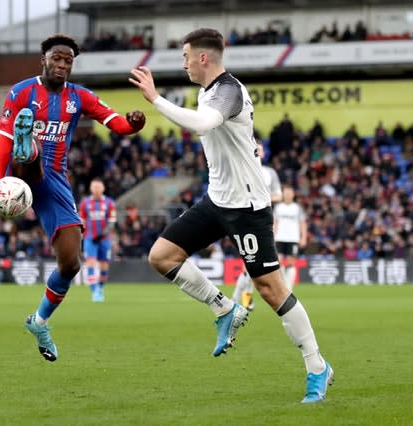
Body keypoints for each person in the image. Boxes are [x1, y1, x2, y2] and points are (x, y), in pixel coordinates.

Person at [129, 28, 332, 403]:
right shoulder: (207, 92)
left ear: (203, 58)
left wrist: (155, 98)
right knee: (161, 256)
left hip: (248, 207)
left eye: (186, 55)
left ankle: (317, 366)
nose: (184, 62)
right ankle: (224, 308)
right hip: (217, 200)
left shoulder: (228, 90)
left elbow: (203, 124)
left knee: (272, 290)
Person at [0, 33, 146, 362]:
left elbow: (115, 123)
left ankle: (39, 321)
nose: (62, 65)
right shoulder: (21, 92)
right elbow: (1, 143)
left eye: (68, 61)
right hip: (20, 172)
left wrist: (134, 124)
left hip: (56, 183)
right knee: (26, 154)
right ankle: (28, 144)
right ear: (43, 59)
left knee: (71, 262)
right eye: (56, 59)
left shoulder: (80, 97)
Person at [232, 142, 282, 310]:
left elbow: (278, 195)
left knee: (253, 263)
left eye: (259, 149)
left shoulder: (270, 173)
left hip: (264, 219)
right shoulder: (243, 169)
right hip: (245, 217)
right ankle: (242, 299)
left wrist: (262, 197)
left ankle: (243, 298)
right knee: (250, 261)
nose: (257, 151)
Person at [78, 177, 117, 302]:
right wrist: (81, 234)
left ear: (103, 188)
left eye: (98, 187)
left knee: (104, 265)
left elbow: (112, 222)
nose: (96, 189)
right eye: (94, 187)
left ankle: (100, 287)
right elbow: (82, 220)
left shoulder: (110, 203)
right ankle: (94, 291)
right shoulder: (85, 203)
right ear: (90, 188)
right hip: (89, 238)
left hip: (104, 239)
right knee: (90, 262)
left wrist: (101, 235)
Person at [274, 184, 308, 291]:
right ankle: (283, 285)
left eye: (290, 193)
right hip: (279, 238)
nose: (288, 195)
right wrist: (273, 235)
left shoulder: (297, 208)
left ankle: (289, 288)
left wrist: (304, 237)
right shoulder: (278, 207)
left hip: (293, 238)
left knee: (290, 262)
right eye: (286, 193)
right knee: (278, 261)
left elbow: (302, 223)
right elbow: (275, 222)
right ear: (283, 194)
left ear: (293, 194)